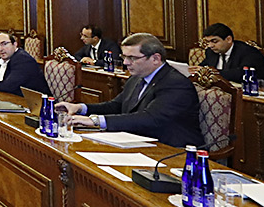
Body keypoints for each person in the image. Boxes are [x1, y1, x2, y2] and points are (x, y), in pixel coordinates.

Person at [58, 33, 203, 147]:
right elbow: (116, 105)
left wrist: (94, 121)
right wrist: (80, 108)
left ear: (155, 58)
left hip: (173, 151)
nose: (126, 62)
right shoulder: (136, 78)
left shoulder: (175, 83)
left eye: (132, 58)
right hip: (140, 142)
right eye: (124, 57)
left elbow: (150, 119)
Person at [197, 23, 264, 84]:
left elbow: (241, 74)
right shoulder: (211, 52)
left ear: (228, 39)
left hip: (259, 92)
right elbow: (204, 67)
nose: (210, 45)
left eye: (214, 41)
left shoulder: (248, 52)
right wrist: (197, 70)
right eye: (208, 42)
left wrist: (213, 73)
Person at [0, 32, 48, 96]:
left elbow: (8, 87)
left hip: (36, 101)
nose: (0, 49)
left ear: (15, 44)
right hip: (9, 98)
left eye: (4, 44)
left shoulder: (23, 59)